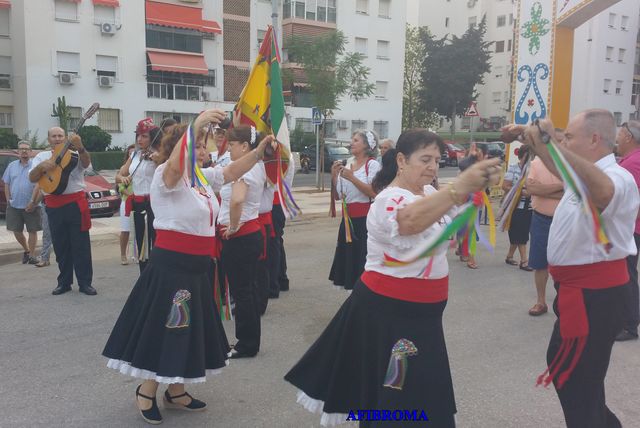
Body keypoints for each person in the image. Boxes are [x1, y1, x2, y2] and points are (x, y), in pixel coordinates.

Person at [285, 129, 501, 427]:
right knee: (396, 399)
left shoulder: (426, 194)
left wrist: (467, 200)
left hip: (422, 318)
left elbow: (441, 230)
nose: (433, 167)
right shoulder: (388, 198)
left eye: (437, 160)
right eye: (425, 159)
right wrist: (459, 188)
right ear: (401, 159)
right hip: (391, 317)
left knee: (416, 397)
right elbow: (410, 221)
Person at [103, 110, 277, 425]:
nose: (204, 151)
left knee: (186, 331)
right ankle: (147, 389)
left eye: (204, 145)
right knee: (169, 329)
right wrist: (196, 123)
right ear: (180, 147)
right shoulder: (165, 177)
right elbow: (175, 167)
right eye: (197, 145)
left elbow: (233, 169)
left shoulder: (200, 177)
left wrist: (259, 150)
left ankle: (176, 390)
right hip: (173, 270)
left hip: (197, 270)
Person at [505, 110, 639, 428]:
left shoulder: (618, 177)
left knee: (577, 380)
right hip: (580, 293)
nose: (565, 143)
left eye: (570, 138)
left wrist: (550, 141)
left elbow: (603, 193)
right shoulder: (583, 174)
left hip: (596, 295)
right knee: (576, 377)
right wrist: (534, 139)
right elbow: (558, 165)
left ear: (594, 139)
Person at [218, 125, 269, 359]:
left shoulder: (246, 170)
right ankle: (247, 341)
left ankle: (246, 344)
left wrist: (233, 226)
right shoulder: (252, 167)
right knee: (245, 290)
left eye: (232, 144)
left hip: (241, 236)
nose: (228, 149)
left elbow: (237, 200)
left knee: (243, 292)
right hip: (246, 235)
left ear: (245, 146)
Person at [29, 127, 95, 295]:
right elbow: (32, 177)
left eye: (60, 136)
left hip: (75, 204)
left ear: (66, 138)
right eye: (54, 136)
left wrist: (80, 147)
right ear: (49, 139)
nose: (57, 138)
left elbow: (87, 164)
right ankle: (64, 282)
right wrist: (42, 167)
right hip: (53, 206)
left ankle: (85, 283)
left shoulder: (75, 154)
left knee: (81, 246)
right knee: (60, 246)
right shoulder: (41, 157)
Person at [329, 130, 381, 290]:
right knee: (350, 262)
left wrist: (352, 177)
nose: (351, 142)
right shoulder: (348, 164)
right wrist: (334, 176)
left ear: (366, 145)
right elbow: (338, 197)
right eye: (352, 139)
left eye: (356, 140)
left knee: (362, 261)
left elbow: (374, 192)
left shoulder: (372, 165)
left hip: (364, 222)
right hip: (347, 221)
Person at [118, 119, 162, 273]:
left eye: (144, 136)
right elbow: (120, 173)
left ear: (152, 137)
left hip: (154, 205)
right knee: (140, 241)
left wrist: (157, 159)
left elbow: (165, 172)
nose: (139, 139)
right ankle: (144, 276)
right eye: (138, 135)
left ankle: (155, 275)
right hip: (137, 205)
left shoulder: (158, 154)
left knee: (155, 243)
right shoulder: (134, 154)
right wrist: (122, 178)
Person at [526, 146, 564, 316]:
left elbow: (572, 192)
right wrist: (561, 187)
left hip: (563, 221)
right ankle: (541, 301)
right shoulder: (536, 163)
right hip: (541, 219)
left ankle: (563, 301)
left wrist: (543, 190)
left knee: (564, 263)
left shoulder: (565, 164)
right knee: (539, 262)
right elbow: (530, 190)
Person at [615, 120, 640, 341]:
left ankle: (629, 324)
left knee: (627, 275)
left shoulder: (633, 164)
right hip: (631, 227)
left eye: (620, 133)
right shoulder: (630, 160)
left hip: (631, 228)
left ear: (629, 137)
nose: (617, 137)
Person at [3, 141, 41, 264]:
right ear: (18, 151)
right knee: (16, 231)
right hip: (14, 205)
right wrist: (8, 199)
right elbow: (6, 184)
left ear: (30, 151)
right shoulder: (11, 166)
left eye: (26, 149)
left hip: (32, 205)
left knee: (32, 230)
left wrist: (33, 202)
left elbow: (39, 185)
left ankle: (32, 255)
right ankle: (26, 250)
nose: (24, 151)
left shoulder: (36, 166)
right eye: (21, 149)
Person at [456, 143, 488, 269]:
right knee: (465, 229)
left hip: (477, 201)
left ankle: (467, 252)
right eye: (476, 152)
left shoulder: (484, 167)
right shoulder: (466, 167)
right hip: (466, 200)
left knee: (471, 229)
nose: (478, 155)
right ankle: (469, 256)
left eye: (480, 153)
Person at [502, 146, 533, 271]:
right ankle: (524, 261)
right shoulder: (513, 169)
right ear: (523, 155)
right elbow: (505, 186)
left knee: (521, 232)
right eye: (529, 155)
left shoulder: (532, 169)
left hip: (530, 206)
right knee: (520, 233)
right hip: (515, 206)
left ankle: (509, 256)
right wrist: (519, 192)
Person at [269, 151, 295, 298]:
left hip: (276, 201)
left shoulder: (284, 155)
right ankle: (281, 279)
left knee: (273, 243)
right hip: (277, 201)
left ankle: (275, 283)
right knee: (277, 242)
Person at [116, 145, 135, 265]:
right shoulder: (125, 168)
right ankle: (123, 254)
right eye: (130, 153)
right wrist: (130, 195)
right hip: (127, 200)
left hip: (140, 201)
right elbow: (121, 187)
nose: (132, 155)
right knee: (125, 229)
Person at [32, 184, 52, 268]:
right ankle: (44, 258)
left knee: (63, 233)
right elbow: (42, 190)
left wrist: (33, 203)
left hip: (63, 203)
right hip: (47, 204)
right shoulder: (44, 174)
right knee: (47, 232)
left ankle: (69, 256)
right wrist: (34, 203)